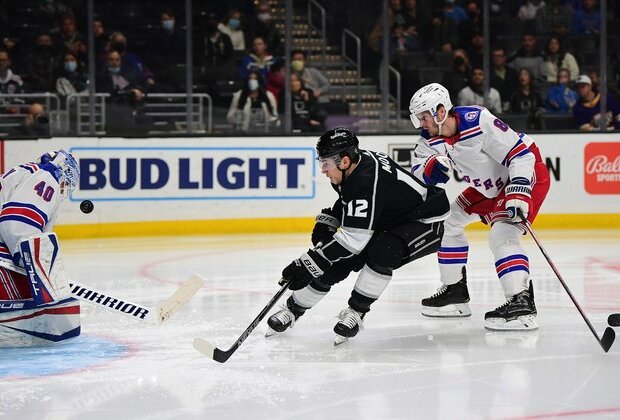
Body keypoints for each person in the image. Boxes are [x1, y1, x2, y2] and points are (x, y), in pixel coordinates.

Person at [266, 127, 450, 344]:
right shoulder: (354, 167)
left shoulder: (365, 178)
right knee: (336, 261)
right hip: (389, 218)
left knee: (381, 251)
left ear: (344, 161)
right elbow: (354, 200)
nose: (323, 170)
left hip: (425, 222)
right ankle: (293, 309)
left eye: (326, 164)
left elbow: (354, 240)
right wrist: (332, 218)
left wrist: (307, 263)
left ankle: (356, 312)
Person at [408, 83, 550, 331]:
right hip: (489, 188)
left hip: (524, 175)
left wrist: (519, 189)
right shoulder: (430, 138)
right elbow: (417, 170)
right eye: (418, 119)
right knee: (447, 223)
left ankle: (520, 303)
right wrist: (430, 168)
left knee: (502, 234)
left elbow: (520, 155)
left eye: (424, 117)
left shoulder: (477, 120)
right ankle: (455, 293)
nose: (421, 124)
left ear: (441, 112)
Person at [0, 150, 82, 346]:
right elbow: (17, 223)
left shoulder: (23, 173)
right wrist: (29, 262)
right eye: (67, 182)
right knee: (30, 296)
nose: (65, 188)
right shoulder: (48, 176)